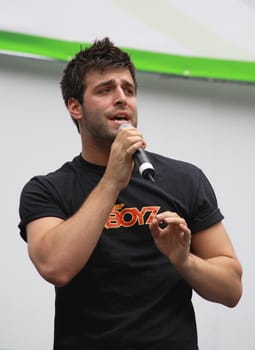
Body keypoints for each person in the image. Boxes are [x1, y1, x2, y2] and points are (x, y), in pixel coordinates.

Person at [18, 37, 242, 350]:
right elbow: (56, 267)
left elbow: (231, 289)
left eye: (129, 89)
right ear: (75, 107)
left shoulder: (185, 179)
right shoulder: (47, 189)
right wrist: (111, 181)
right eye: (105, 89)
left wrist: (184, 260)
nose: (122, 98)